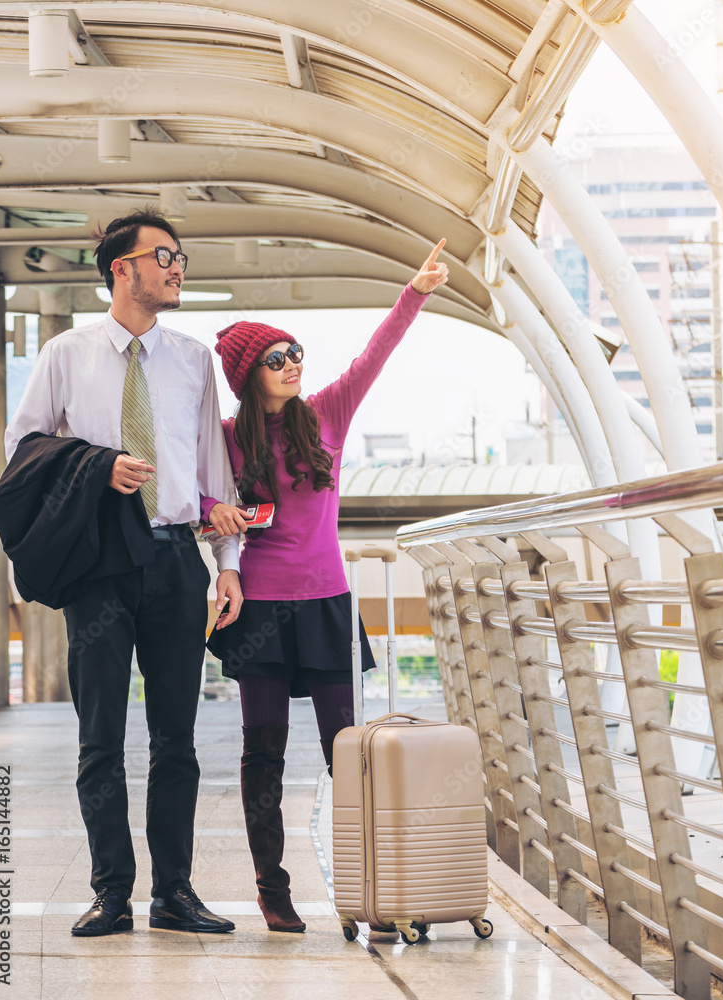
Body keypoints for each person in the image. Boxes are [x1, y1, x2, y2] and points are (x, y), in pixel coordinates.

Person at [4, 209, 243, 937]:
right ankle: (112, 891)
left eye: (180, 258)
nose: (176, 268)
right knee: (99, 736)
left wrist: (227, 565)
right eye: (163, 255)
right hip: (101, 562)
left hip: (175, 557)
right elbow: (24, 454)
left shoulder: (193, 357)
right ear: (121, 269)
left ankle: (175, 891)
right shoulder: (66, 354)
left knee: (178, 737)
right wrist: (98, 464)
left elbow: (214, 467)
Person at [203, 239, 449, 933]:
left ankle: (374, 890)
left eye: (296, 353)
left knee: (351, 753)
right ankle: (271, 886)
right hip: (259, 612)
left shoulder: (329, 413)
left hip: (328, 607)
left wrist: (417, 290)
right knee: (264, 754)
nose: (293, 366)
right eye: (276, 359)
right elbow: (197, 505)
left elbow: (375, 355)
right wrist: (211, 519)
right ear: (250, 375)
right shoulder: (226, 438)